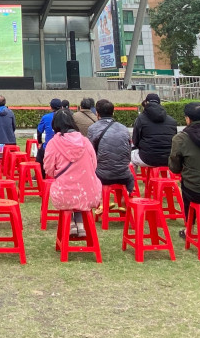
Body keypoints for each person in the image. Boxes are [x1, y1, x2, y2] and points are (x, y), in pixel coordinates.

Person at [44, 109, 101, 238]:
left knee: (70, 189)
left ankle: (71, 224)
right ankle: (80, 224)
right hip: (89, 193)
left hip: (64, 194)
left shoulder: (54, 143)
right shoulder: (85, 141)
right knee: (79, 187)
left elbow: (49, 169)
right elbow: (94, 165)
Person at [87, 99, 134, 197]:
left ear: (97, 113)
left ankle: (99, 200)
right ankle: (126, 196)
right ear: (113, 112)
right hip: (124, 175)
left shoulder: (93, 129)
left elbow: (90, 153)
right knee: (129, 177)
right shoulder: (124, 128)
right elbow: (128, 152)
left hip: (101, 175)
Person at [131, 93, 178, 170]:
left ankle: (131, 181)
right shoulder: (172, 120)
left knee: (130, 157)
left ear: (146, 102)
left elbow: (135, 140)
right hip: (168, 159)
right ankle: (167, 179)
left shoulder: (140, 118)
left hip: (147, 158)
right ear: (160, 103)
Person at [36, 98, 64, 166]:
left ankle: (40, 174)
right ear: (61, 107)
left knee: (40, 156)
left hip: (48, 147)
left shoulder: (46, 117)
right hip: (63, 147)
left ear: (51, 107)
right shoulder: (65, 117)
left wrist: (39, 142)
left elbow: (39, 131)